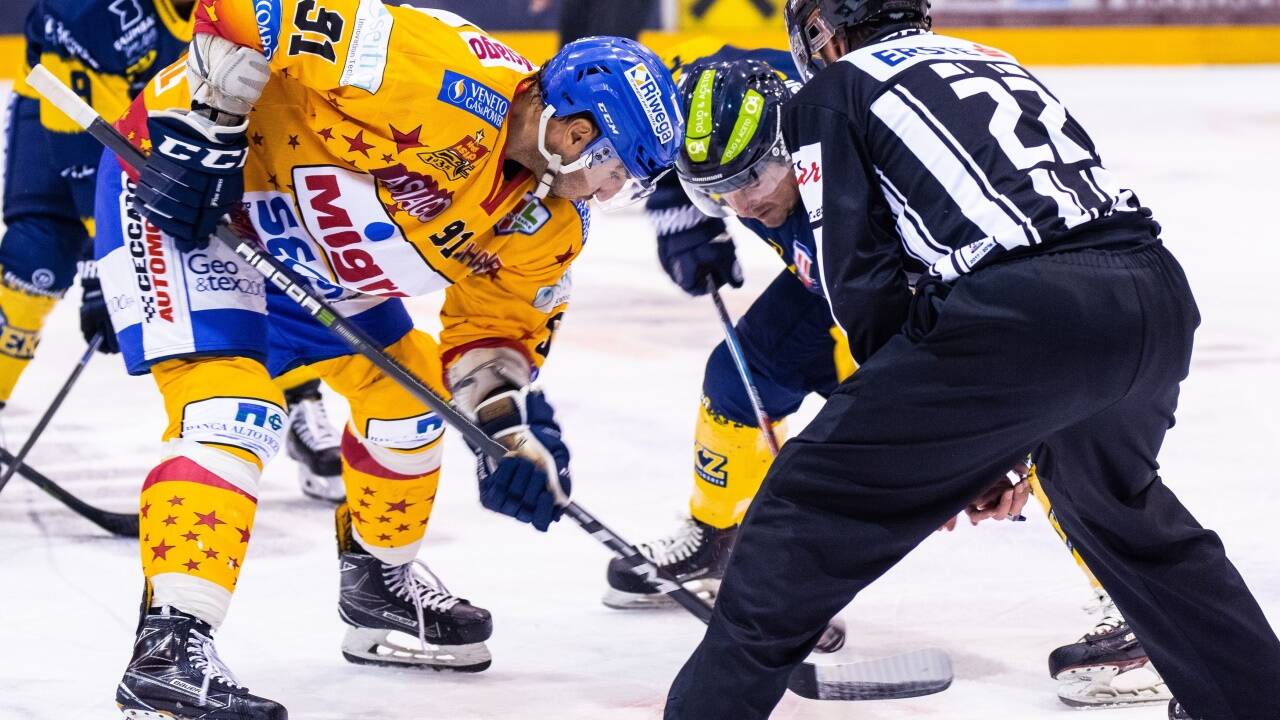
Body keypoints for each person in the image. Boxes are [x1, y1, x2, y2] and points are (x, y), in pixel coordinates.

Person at [663, 1, 1280, 718]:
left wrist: (951, 445)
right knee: (1120, 516)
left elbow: (862, 286)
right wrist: (986, 439)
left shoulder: (831, 92)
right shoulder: (987, 56)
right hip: (1152, 293)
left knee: (798, 514)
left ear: (821, 34)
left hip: (1025, 314)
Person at [95, 2, 681, 717]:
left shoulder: (550, 223)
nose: (614, 190)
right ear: (576, 132)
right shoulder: (434, 74)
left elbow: (490, 339)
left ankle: (378, 588)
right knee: (233, 410)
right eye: (616, 169)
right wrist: (211, 130)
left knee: (412, 403)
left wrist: (505, 436)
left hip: (311, 247)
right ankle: (167, 649)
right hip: (186, 192)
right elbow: (246, 11)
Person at [1, 0, 346, 503]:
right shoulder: (86, 14)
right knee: (36, 260)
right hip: (71, 119)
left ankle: (300, 395)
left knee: (267, 239)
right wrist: (102, 267)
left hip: (194, 115)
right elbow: (84, 138)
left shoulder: (261, 9)